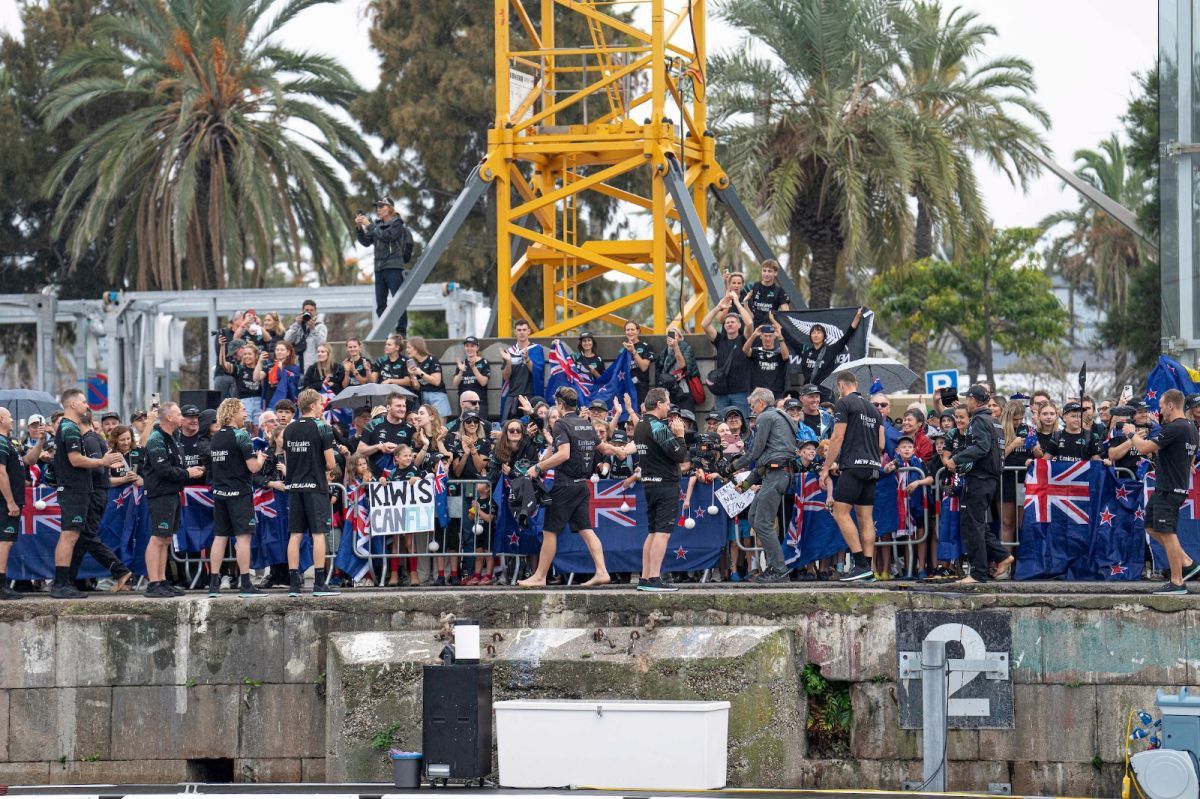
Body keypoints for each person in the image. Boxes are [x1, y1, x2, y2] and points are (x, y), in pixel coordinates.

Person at [520, 387, 610, 587]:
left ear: (560, 405)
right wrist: (620, 451)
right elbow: (602, 448)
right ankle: (602, 571)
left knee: (550, 531)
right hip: (581, 486)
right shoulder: (585, 424)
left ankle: (540, 576)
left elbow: (563, 454)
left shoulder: (562, 423)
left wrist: (538, 467)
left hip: (565, 485)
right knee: (586, 529)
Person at [48, 389, 126, 598]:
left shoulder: (68, 427)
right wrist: (103, 461)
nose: (87, 405)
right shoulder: (70, 427)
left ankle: (63, 582)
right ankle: (61, 584)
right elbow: (75, 459)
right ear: (72, 405)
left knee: (72, 535)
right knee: (69, 535)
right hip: (74, 489)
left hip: (76, 488)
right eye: (83, 401)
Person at [1129, 389, 1200, 594]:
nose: (1159, 410)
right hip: (1167, 487)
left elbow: (1143, 448)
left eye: (1161, 406)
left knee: (1167, 533)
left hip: (1169, 489)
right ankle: (1187, 561)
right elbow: (1190, 455)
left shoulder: (1174, 427)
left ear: (1170, 405)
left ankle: (1177, 582)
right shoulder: (1190, 427)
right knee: (1151, 526)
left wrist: (1131, 433)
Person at [946, 385, 1014, 585]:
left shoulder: (978, 420)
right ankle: (1002, 555)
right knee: (976, 523)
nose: (967, 402)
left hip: (980, 478)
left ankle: (977, 573)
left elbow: (981, 447)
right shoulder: (995, 421)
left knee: (972, 526)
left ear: (974, 400)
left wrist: (956, 459)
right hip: (990, 478)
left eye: (968, 399)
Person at [821, 371, 884, 583]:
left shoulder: (844, 403)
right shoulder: (874, 410)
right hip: (873, 466)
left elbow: (837, 437)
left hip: (854, 466)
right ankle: (868, 569)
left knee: (840, 513)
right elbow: (881, 445)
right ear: (856, 384)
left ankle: (860, 564)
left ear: (841, 385)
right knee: (865, 517)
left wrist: (826, 467)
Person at [730, 387, 797, 583]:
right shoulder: (780, 417)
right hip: (776, 473)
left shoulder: (765, 418)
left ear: (761, 403)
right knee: (753, 518)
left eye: (752, 406)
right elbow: (763, 463)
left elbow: (754, 453)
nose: (752, 411)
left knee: (762, 523)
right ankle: (775, 566)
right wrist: (744, 486)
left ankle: (779, 569)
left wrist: (730, 467)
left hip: (777, 474)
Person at [142, 402, 206, 598]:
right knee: (158, 537)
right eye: (179, 414)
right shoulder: (156, 439)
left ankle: (162, 580)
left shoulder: (174, 437)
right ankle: (153, 583)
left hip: (172, 492)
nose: (182, 417)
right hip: (160, 493)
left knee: (166, 537)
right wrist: (188, 473)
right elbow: (163, 470)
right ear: (169, 417)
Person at [207, 399, 268, 597]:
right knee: (243, 538)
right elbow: (253, 468)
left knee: (220, 537)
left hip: (220, 494)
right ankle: (245, 584)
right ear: (232, 412)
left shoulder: (215, 437)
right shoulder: (241, 436)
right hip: (240, 494)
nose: (246, 414)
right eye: (243, 411)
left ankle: (214, 585)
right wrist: (260, 459)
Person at [633, 387, 691, 592]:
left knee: (653, 531)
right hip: (665, 485)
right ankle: (655, 578)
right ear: (658, 404)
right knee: (663, 533)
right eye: (667, 403)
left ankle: (646, 577)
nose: (668, 407)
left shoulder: (640, 424)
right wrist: (680, 435)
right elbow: (679, 455)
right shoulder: (657, 426)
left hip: (649, 483)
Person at [283, 389, 340, 596]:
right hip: (315, 487)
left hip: (295, 487)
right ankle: (318, 581)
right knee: (318, 535)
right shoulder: (322, 427)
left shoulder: (289, 429)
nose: (322, 406)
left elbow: (288, 462)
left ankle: (293, 583)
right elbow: (331, 464)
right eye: (320, 403)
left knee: (295, 535)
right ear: (312, 406)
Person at [74, 412, 135, 590]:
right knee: (81, 538)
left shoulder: (90, 440)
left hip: (95, 495)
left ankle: (120, 570)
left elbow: (98, 471)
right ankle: (68, 581)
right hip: (97, 494)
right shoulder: (93, 439)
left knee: (86, 536)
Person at [0, 407, 44, 599]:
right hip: (4, 503)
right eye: (9, 417)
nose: (12, 420)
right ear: (1, 419)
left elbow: (28, 460)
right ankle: (1, 586)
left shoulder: (10, 442)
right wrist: (10, 502)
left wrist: (41, 441)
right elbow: (0, 473)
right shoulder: (1, 442)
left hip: (12, 501)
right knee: (4, 543)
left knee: (7, 542)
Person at [356, 197, 414, 335]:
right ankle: (383, 331)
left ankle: (401, 332)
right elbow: (365, 242)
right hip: (379, 268)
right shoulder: (376, 225)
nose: (379, 209)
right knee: (380, 303)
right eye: (377, 207)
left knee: (398, 300)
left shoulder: (397, 224)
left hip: (394, 267)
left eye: (382, 206)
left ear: (390, 208)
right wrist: (359, 228)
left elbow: (387, 236)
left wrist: (369, 225)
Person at [796, 307, 865, 398]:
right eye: (813, 333)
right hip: (808, 392)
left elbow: (847, 335)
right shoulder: (805, 351)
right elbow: (788, 337)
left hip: (824, 393)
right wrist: (776, 323)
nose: (816, 335)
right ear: (810, 336)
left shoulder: (831, 350)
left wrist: (857, 317)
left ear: (824, 336)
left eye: (819, 332)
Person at [357, 393, 415, 477]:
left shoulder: (410, 429)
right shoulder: (374, 425)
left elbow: (414, 457)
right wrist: (379, 447)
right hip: (375, 480)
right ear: (388, 407)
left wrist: (399, 451)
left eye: (404, 406)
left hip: (401, 480)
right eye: (398, 406)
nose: (402, 409)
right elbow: (359, 451)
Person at [500, 320, 544, 420]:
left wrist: (527, 359)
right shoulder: (509, 352)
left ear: (529, 331)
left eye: (524, 330)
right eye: (519, 330)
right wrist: (508, 362)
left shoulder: (536, 349)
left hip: (530, 396)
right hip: (512, 396)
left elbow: (537, 373)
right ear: (515, 332)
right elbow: (506, 377)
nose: (522, 332)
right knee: (511, 428)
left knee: (531, 427)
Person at [404, 336, 450, 418]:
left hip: (437, 396)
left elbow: (436, 381)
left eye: (409, 347)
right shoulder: (415, 363)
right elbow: (417, 387)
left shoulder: (432, 360)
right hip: (423, 396)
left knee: (440, 427)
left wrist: (420, 372)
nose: (406, 350)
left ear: (417, 348)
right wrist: (412, 375)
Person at [656, 326, 700, 411]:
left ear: (680, 337)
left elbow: (682, 366)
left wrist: (676, 347)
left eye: (674, 335)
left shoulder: (685, 347)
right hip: (669, 390)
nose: (671, 338)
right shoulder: (664, 352)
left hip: (683, 389)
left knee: (686, 416)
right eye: (669, 335)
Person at [744, 317, 790, 397]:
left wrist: (780, 337)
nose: (767, 339)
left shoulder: (779, 352)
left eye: (770, 336)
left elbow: (786, 356)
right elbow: (745, 350)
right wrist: (754, 335)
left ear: (774, 337)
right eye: (765, 336)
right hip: (759, 393)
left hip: (776, 393)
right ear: (761, 336)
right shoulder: (756, 351)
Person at [743, 259, 792, 327]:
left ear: (775, 273)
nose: (766, 274)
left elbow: (786, 313)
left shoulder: (779, 291)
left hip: (771, 328)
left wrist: (778, 326)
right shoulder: (753, 287)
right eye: (764, 270)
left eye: (769, 271)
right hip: (754, 326)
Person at [283, 299, 328, 373]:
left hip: (311, 368)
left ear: (315, 312)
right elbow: (287, 340)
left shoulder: (320, 327)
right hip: (296, 366)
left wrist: (313, 329)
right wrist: (297, 324)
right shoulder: (297, 325)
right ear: (302, 311)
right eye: (307, 310)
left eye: (311, 310)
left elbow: (322, 344)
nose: (309, 312)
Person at [257, 340, 302, 409]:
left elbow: (294, 383)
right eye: (277, 350)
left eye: (282, 350)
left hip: (287, 404)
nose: (279, 352)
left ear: (288, 353)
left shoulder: (294, 368)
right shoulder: (270, 366)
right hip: (270, 402)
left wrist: (282, 370)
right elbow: (256, 378)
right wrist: (259, 362)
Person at [453, 337, 491, 420]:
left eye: (472, 346)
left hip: (479, 403)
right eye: (467, 346)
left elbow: (483, 382)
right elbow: (455, 383)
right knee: (463, 428)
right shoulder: (462, 363)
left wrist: (473, 367)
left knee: (481, 428)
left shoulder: (484, 362)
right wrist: (461, 372)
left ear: (477, 347)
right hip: (464, 403)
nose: (469, 348)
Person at [621, 320, 655, 409]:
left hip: (640, 388)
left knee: (640, 415)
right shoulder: (622, 349)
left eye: (632, 329)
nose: (630, 332)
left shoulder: (646, 346)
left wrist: (633, 351)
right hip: (626, 388)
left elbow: (644, 367)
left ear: (638, 331)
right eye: (627, 330)